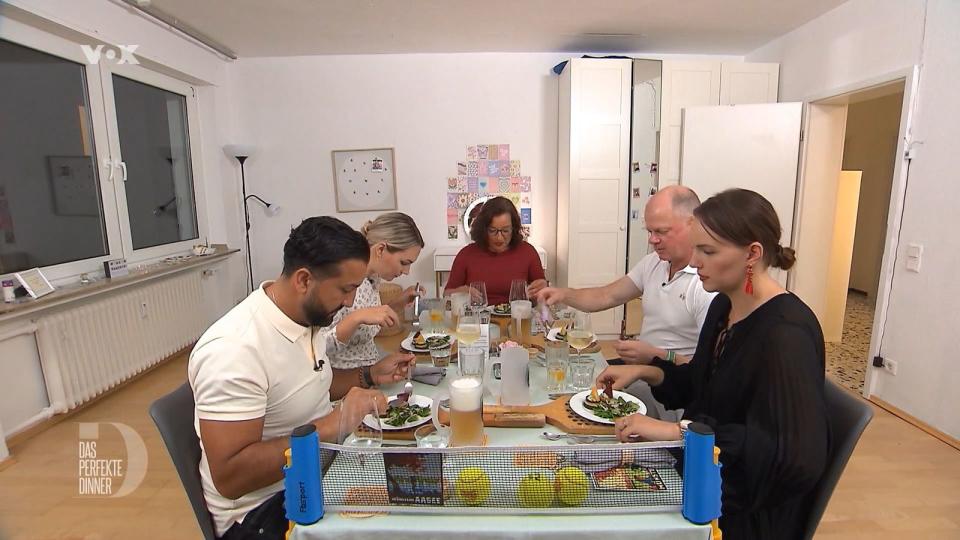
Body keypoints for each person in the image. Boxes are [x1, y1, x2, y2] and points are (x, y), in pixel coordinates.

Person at [597, 189, 829, 540]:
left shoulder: (786, 334)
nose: (695, 262)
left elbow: (788, 455)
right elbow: (702, 384)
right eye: (696, 249)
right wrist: (645, 370)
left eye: (707, 251)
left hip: (740, 509)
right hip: (699, 471)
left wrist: (678, 432)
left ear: (752, 253)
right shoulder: (724, 307)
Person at [188, 217, 415, 540]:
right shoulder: (234, 350)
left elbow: (312, 383)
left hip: (318, 468)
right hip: (263, 513)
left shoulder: (307, 318)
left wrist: (369, 375)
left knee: (417, 484)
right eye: (346, 290)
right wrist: (333, 424)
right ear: (304, 280)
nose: (350, 303)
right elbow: (231, 477)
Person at [537, 185, 715, 419]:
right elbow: (607, 296)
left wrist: (655, 355)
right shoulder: (654, 263)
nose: (653, 240)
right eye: (649, 231)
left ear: (692, 224)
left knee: (582, 402)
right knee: (568, 387)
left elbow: (708, 370)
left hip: (674, 393)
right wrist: (563, 294)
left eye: (661, 231)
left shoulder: (706, 284)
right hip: (644, 372)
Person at [323, 212, 425, 368]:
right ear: (380, 249)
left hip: (371, 371)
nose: (406, 271)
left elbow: (368, 321)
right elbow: (316, 349)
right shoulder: (341, 279)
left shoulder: (373, 279)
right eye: (404, 262)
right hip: (344, 381)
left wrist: (398, 303)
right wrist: (355, 318)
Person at [444, 196, 547, 304]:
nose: (499, 238)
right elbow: (446, 294)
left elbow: (542, 293)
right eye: (493, 231)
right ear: (483, 229)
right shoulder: (466, 254)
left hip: (518, 316)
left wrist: (542, 289)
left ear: (514, 228)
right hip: (477, 317)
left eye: (505, 231)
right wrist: (460, 292)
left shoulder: (527, 252)